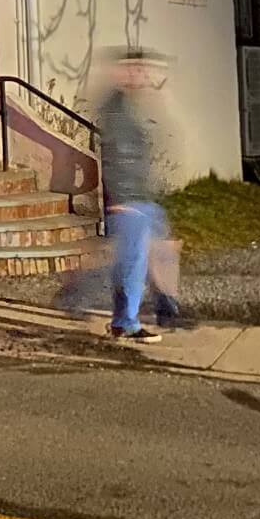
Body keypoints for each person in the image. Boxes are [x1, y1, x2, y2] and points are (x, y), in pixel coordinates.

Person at [95, 52, 175, 342]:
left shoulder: (129, 106)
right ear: (123, 73)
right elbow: (114, 155)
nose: (142, 76)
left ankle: (166, 308)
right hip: (128, 199)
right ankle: (124, 323)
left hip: (140, 196)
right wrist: (119, 198)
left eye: (144, 70)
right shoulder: (116, 110)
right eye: (136, 70)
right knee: (132, 262)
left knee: (161, 251)